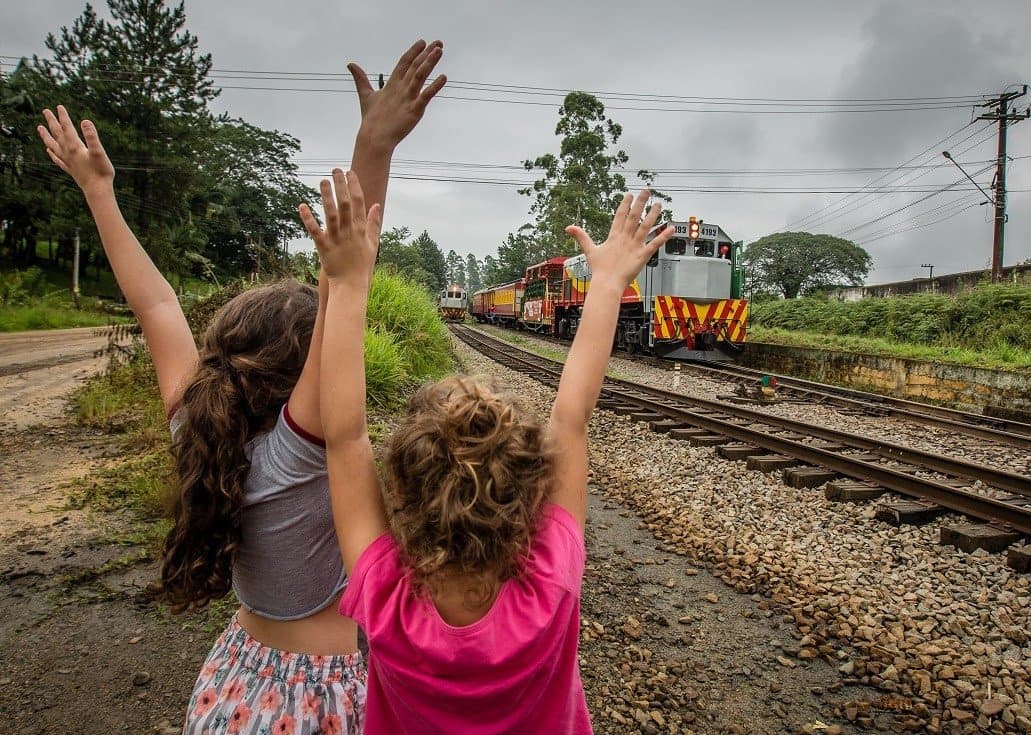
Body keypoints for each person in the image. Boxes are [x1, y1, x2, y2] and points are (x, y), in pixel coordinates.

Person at [36, 38, 447, 734]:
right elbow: (344, 280)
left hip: (235, 683)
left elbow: (159, 307)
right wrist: (372, 149)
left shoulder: (196, 425)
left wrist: (98, 191)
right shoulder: (299, 448)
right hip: (320, 698)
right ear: (299, 374)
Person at [304, 173, 674, 734]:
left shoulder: (386, 599)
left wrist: (349, 283)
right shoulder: (549, 582)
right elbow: (570, 422)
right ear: (530, 494)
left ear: (403, 495)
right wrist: (607, 285)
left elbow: (345, 435)